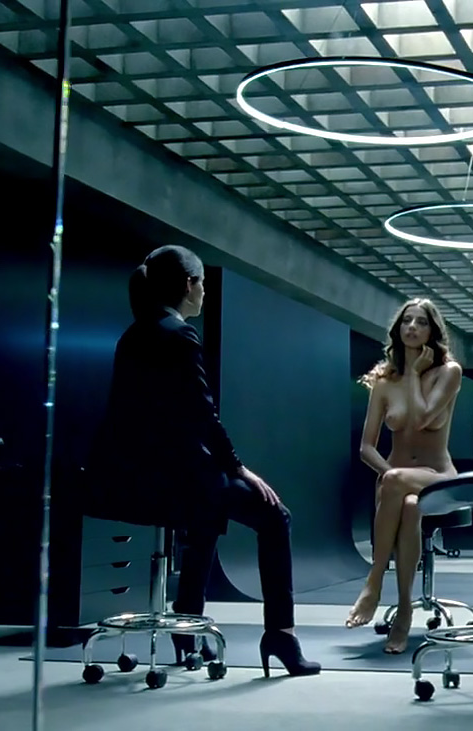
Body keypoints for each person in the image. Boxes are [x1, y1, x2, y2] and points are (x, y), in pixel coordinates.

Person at [86, 245, 319, 678]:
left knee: (207, 501)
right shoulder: (178, 334)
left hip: (125, 479)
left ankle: (187, 621)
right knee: (275, 516)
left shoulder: (132, 335)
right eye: (204, 285)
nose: (205, 293)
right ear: (190, 284)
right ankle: (280, 635)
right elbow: (202, 414)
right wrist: (238, 467)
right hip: (171, 478)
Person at [346, 298, 463, 654]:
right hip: (396, 482)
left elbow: (423, 418)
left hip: (438, 476)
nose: (412, 327)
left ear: (433, 331)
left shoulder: (448, 373)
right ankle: (405, 612)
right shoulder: (384, 381)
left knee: (402, 487)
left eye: (421, 322)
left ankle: (374, 581)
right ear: (398, 329)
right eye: (406, 321)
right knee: (409, 504)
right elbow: (366, 447)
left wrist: (414, 374)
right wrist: (391, 478)